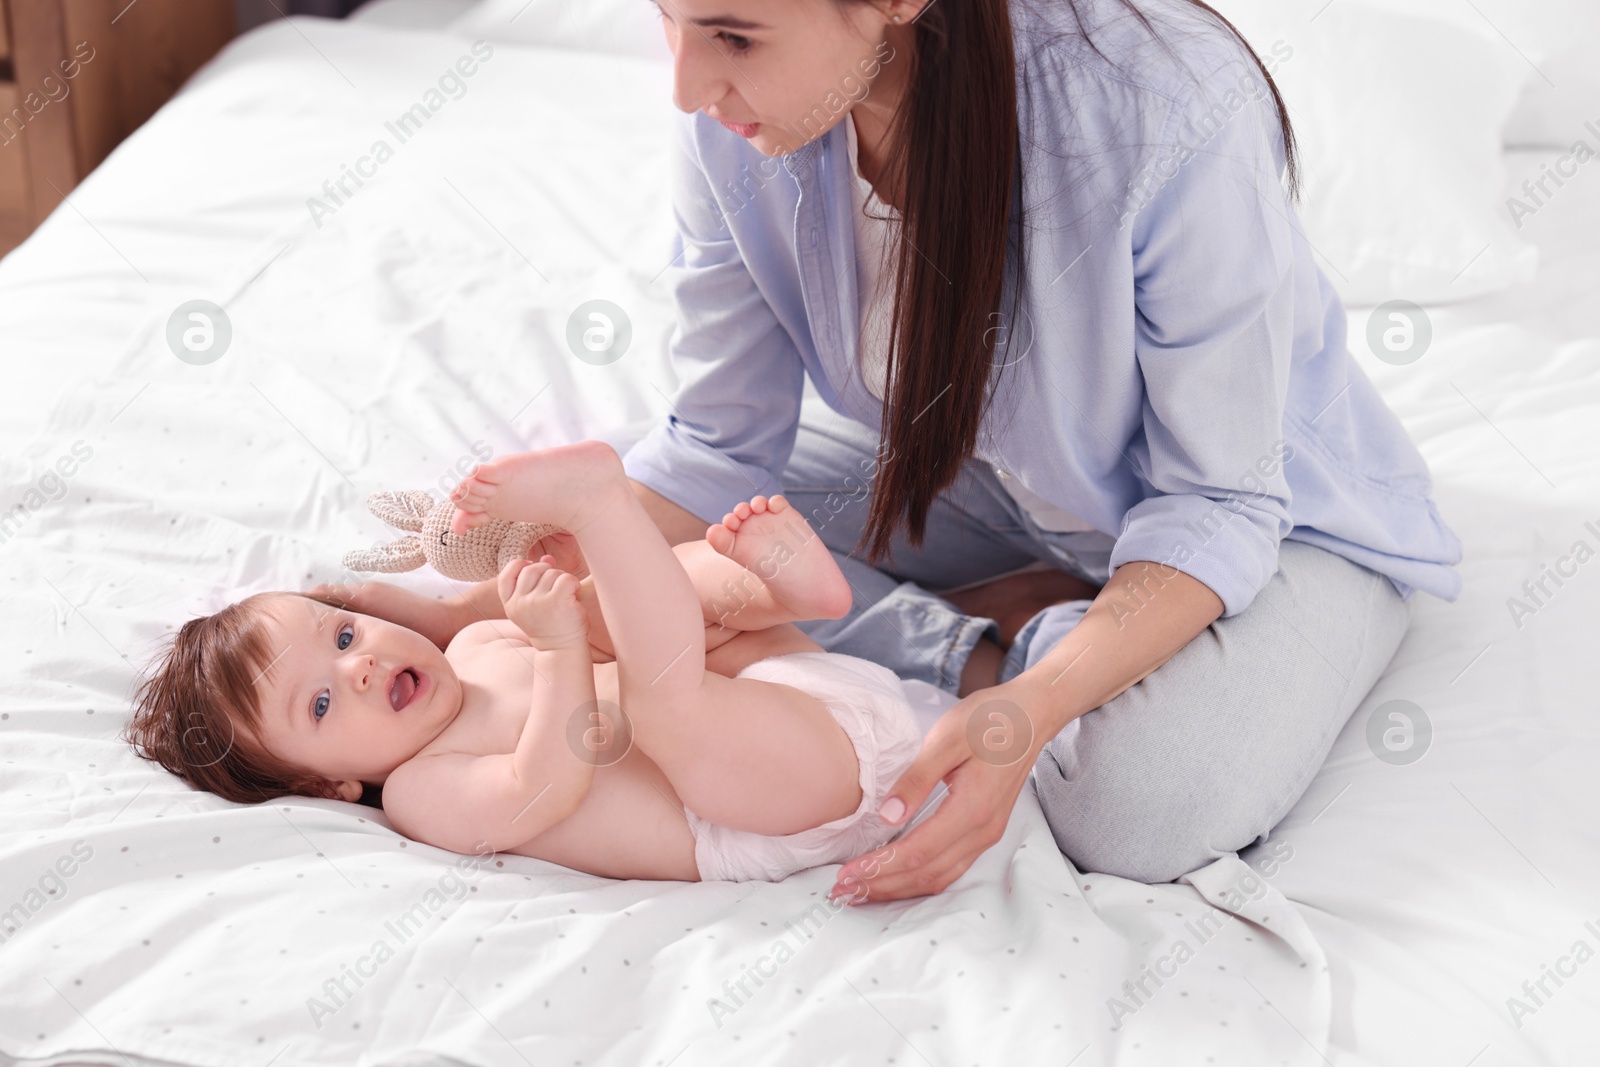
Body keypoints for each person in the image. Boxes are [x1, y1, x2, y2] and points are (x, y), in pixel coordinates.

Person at [329, 0, 1464, 899]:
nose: (685, 83)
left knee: (1138, 809)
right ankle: (975, 644)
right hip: (985, 473)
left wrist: (1036, 708)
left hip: (1273, 516)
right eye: (667, 18)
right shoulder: (735, 125)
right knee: (613, 537)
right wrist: (471, 598)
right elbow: (719, 447)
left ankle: (1037, 647)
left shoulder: (1166, 112)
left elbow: (1218, 495)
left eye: (731, 34)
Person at [125, 448, 938, 886]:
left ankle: (773, 588)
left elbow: (559, 622)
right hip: (767, 808)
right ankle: (604, 499)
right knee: (661, 702)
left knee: (612, 605)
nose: (364, 668)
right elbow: (544, 784)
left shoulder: (472, 649)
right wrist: (557, 652)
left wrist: (526, 608)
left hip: (786, 693)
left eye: (343, 638)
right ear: (325, 787)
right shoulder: (420, 790)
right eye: (324, 706)